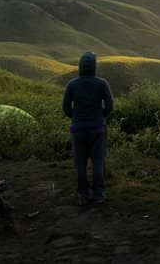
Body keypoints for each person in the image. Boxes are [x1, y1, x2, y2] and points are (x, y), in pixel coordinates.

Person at [62, 51, 114, 206]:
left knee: (80, 163)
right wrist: (100, 116)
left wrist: (76, 118)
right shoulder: (102, 83)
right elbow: (110, 106)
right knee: (98, 162)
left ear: (80, 67)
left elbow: (66, 108)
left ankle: (83, 196)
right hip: (97, 127)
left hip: (78, 129)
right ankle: (98, 195)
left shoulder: (72, 84)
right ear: (94, 67)